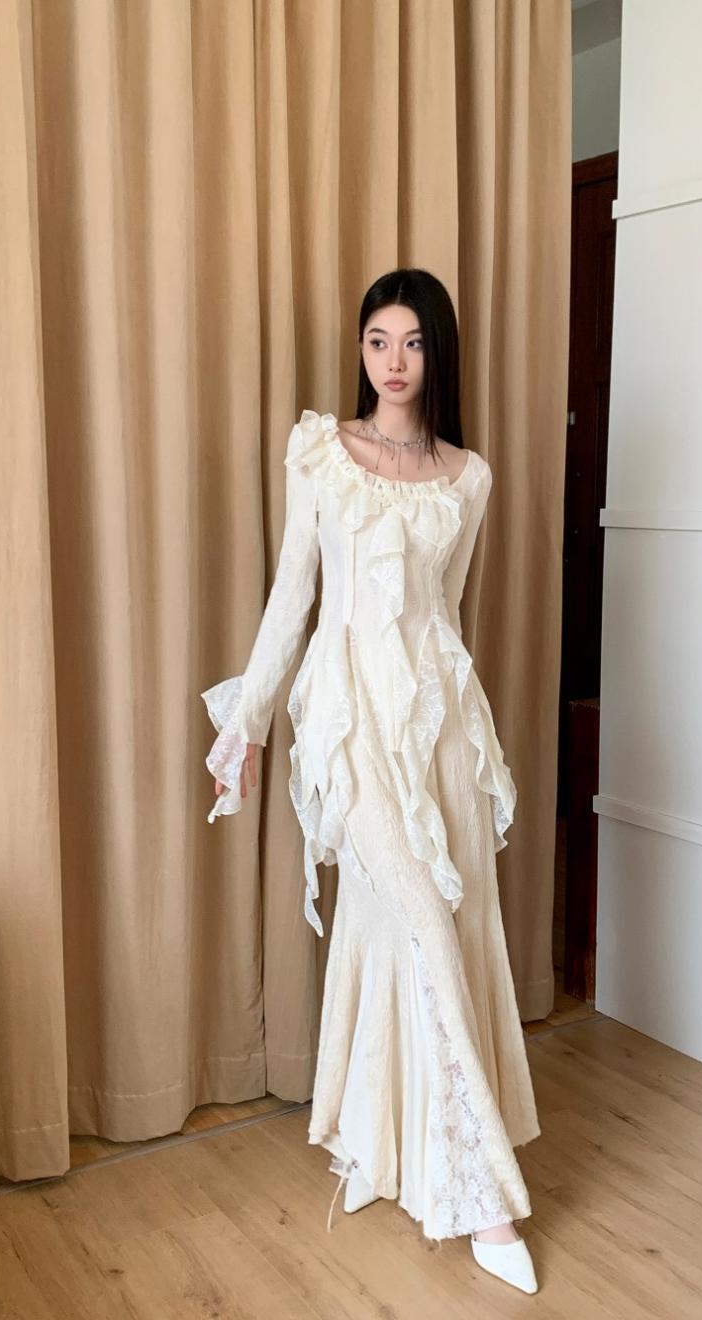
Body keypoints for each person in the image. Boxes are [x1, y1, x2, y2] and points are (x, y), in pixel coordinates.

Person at [202, 268, 541, 1295]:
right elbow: (291, 596)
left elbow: (450, 611)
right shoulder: (320, 452)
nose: (393, 361)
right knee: (420, 920)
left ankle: (373, 1146)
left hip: (439, 726)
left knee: (432, 928)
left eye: (413, 342)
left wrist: (450, 727)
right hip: (348, 721)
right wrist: (250, 721)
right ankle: (485, 1199)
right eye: (377, 341)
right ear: (361, 351)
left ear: (439, 353)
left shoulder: (469, 478)